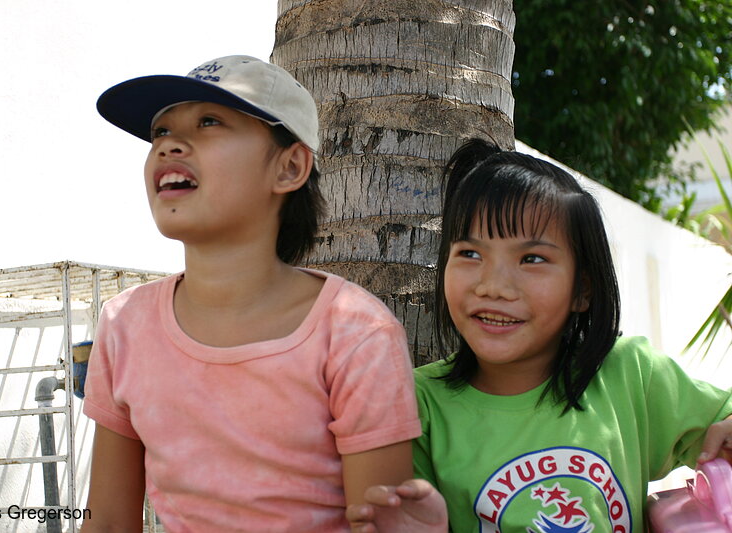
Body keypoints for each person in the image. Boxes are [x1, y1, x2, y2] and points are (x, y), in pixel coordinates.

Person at [80, 55, 421, 533]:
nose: (169, 145)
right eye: (160, 132)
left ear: (289, 167)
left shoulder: (356, 332)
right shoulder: (124, 324)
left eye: (209, 122)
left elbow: (382, 525)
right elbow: (109, 523)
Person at [346, 138, 732, 533]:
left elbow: (723, 423)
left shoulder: (631, 373)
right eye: (470, 254)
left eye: (531, 259)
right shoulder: (417, 405)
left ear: (582, 289)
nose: (492, 286)